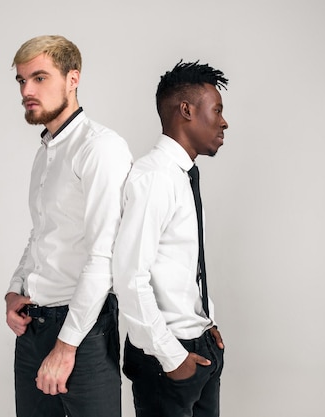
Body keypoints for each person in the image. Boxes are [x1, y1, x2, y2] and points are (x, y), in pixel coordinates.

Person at [4, 35, 132, 417]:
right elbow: (41, 233)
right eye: (21, 81)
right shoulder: (45, 152)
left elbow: (103, 255)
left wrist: (67, 345)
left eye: (39, 78)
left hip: (84, 330)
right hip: (33, 326)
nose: (27, 90)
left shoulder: (100, 149)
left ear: (72, 79)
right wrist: (15, 289)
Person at [113, 60, 229, 417]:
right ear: (186, 111)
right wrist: (172, 356)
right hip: (166, 358)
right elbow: (129, 277)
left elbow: (180, 265)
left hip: (199, 346)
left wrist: (206, 325)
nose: (224, 122)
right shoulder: (154, 178)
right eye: (217, 110)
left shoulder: (181, 176)